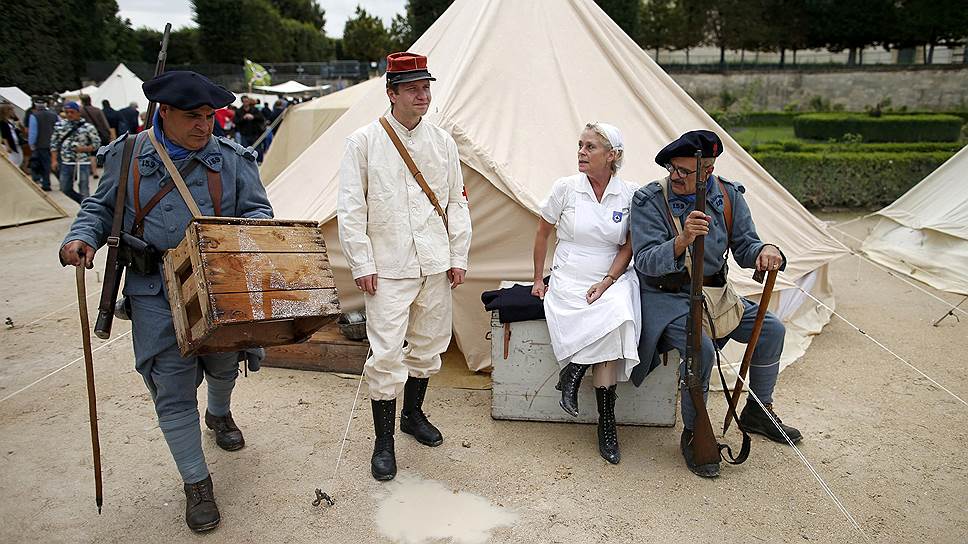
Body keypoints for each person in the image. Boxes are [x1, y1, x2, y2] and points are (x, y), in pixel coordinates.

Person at [58, 71, 273, 532]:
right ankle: (197, 483)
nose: (204, 126)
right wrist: (82, 238)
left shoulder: (233, 159)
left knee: (222, 365)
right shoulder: (129, 154)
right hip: (153, 289)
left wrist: (246, 238)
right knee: (171, 389)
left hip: (218, 289)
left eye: (209, 116)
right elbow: (99, 208)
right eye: (193, 117)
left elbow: (259, 210)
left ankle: (218, 413)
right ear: (164, 113)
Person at [630, 130, 801, 479]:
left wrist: (767, 252)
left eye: (684, 171)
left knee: (770, 330)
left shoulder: (728, 196)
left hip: (717, 295)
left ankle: (759, 411)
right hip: (668, 298)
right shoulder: (649, 200)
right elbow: (645, 262)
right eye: (672, 168)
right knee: (701, 350)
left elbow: (746, 248)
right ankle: (695, 433)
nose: (675, 176)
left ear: (707, 171)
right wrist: (681, 241)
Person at [337, 52, 472, 482]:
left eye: (426, 86)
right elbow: (351, 208)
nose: (422, 94)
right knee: (386, 353)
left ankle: (412, 415)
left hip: (434, 261)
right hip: (388, 266)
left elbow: (456, 201)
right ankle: (383, 442)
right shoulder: (363, 141)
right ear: (391, 93)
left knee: (430, 343)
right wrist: (362, 262)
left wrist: (458, 255)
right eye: (412, 88)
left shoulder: (442, 142)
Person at [531, 123, 640, 464]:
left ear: (612, 156)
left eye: (590, 147)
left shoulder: (630, 194)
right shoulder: (565, 188)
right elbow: (542, 234)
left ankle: (576, 373)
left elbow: (629, 245)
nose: (581, 151)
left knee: (619, 308)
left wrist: (608, 281)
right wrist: (538, 279)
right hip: (569, 273)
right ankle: (605, 420)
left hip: (612, 273)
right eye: (580, 145)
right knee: (611, 326)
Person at [50, 102, 101, 204]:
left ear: (78, 113)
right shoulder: (59, 126)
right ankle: (84, 203)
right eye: (67, 112)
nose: (69, 114)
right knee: (65, 188)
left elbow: (96, 143)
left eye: (72, 112)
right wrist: (54, 160)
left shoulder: (88, 127)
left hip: (82, 162)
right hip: (66, 162)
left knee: (83, 187)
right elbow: (54, 144)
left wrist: (84, 149)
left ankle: (86, 211)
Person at [28, 98, 59, 190]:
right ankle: (63, 180)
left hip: (41, 144)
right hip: (54, 143)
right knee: (56, 162)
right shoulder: (54, 115)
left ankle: (46, 184)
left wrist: (31, 144)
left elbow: (33, 132)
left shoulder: (34, 116)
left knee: (45, 165)